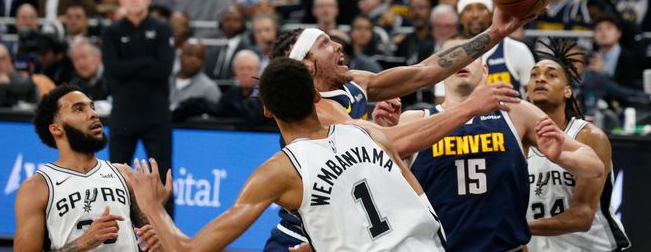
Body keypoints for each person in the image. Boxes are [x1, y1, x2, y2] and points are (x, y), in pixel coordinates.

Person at [263, 5, 539, 251]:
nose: (338, 45)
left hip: (354, 230)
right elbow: (389, 144)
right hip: (307, 236)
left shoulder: (352, 84)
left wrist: (495, 33)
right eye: (324, 44)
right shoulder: (316, 111)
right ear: (307, 67)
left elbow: (425, 71)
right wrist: (469, 108)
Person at [124, 58, 447, 251]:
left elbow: (190, 249)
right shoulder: (369, 133)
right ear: (317, 95)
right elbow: (423, 205)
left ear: (266, 110)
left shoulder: (280, 171)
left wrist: (151, 205)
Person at [393, 37, 605, 251]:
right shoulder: (414, 120)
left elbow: (594, 166)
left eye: (469, 55)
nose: (460, 61)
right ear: (438, 72)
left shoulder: (516, 112)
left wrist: (562, 156)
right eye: (452, 57)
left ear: (484, 71)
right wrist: (383, 133)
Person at [14, 85, 162, 251]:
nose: (93, 114)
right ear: (56, 129)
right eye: (79, 109)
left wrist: (158, 213)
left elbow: (158, 244)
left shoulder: (123, 173)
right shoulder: (37, 187)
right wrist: (83, 243)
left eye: (92, 107)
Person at [525, 39, 630, 251]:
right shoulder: (517, 139)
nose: (540, 79)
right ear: (526, 90)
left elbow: (582, 216)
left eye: (551, 75)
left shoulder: (589, 137)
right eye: (534, 75)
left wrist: (519, 228)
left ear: (567, 91)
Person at [102, 0, 175, 215]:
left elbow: (163, 69)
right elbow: (113, 70)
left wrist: (130, 67)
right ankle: (117, 232)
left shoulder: (162, 29)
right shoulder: (111, 32)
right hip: (123, 115)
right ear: (122, 0)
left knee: (162, 178)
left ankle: (169, 239)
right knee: (115, 178)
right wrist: (146, 63)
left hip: (156, 116)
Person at [456, 0, 535, 95]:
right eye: (468, 9)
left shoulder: (517, 49)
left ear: (491, 15)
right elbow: (443, 101)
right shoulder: (452, 56)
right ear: (460, 18)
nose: (475, 15)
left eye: (481, 8)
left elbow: (533, 96)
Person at [169, 39, 222, 114]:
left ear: (204, 61)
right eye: (189, 54)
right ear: (180, 56)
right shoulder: (164, 81)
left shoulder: (209, 88)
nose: (193, 60)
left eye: (199, 57)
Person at [204, 6, 253, 81]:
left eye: (236, 20)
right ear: (221, 23)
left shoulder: (248, 49)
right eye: (227, 20)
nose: (231, 23)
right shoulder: (212, 48)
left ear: (242, 24)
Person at [214, 49, 264, 123]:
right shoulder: (228, 97)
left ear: (258, 70)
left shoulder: (265, 97)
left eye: (249, 68)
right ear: (234, 71)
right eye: (241, 69)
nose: (245, 73)